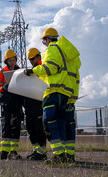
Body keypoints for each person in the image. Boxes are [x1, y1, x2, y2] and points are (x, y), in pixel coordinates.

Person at [24, 28, 80, 163]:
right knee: (65, 125)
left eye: (44, 41)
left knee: (49, 123)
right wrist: (72, 97)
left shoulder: (53, 48)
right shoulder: (69, 55)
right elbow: (75, 77)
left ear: (48, 39)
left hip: (53, 91)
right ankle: (69, 155)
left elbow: (50, 68)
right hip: (67, 94)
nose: (44, 44)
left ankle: (59, 155)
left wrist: (33, 71)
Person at [0, 49, 24, 160]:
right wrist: (4, 87)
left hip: (16, 102)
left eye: (14, 60)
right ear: (6, 61)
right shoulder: (1, 73)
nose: (12, 62)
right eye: (10, 61)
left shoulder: (20, 71)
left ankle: (14, 152)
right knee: (6, 125)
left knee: (16, 126)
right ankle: (4, 152)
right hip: (6, 102)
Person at [24, 48, 47, 161]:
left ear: (39, 57)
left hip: (38, 103)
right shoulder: (31, 71)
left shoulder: (43, 68)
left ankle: (42, 153)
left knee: (39, 128)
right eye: (30, 59)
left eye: (32, 59)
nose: (31, 61)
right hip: (29, 104)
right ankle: (36, 151)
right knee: (30, 128)